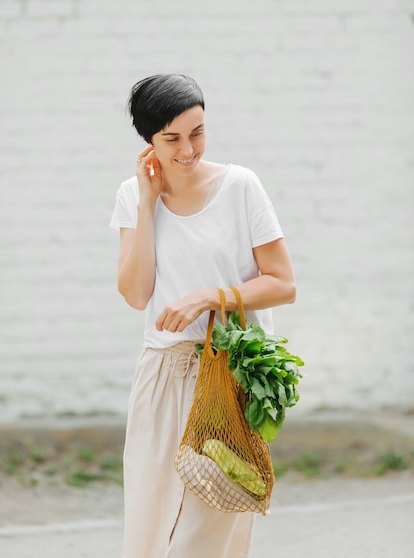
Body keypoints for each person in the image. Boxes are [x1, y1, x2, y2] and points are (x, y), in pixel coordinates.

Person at [110, 74, 296, 558]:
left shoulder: (241, 186)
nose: (188, 149)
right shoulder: (133, 195)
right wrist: (149, 204)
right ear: (149, 141)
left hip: (228, 376)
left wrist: (208, 297)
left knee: (209, 532)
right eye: (171, 139)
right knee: (150, 528)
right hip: (161, 375)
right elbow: (135, 293)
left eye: (198, 132)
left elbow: (282, 283)